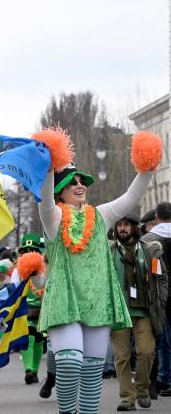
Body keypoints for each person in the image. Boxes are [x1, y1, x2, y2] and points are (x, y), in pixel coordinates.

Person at [38, 164, 152, 414]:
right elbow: (45, 201)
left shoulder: (100, 215)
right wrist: (47, 170)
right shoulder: (53, 217)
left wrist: (147, 168)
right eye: (72, 182)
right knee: (69, 362)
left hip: (97, 302)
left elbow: (131, 197)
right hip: (64, 301)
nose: (80, 185)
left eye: (82, 181)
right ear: (60, 191)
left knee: (91, 371)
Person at [110, 212, 168, 411]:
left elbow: (161, 278)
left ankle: (142, 388)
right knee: (122, 356)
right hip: (118, 312)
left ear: (134, 227)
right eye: (119, 225)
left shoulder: (149, 250)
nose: (122, 229)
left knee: (146, 351)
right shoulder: (109, 252)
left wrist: (160, 301)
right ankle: (127, 398)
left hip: (144, 312)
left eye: (126, 225)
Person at [141, 202, 171, 398]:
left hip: (160, 294)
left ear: (157, 218)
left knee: (162, 339)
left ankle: (162, 378)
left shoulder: (148, 239)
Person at [16, 233, 47, 385]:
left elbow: (44, 286)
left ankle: (35, 370)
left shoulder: (43, 270)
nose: (28, 253)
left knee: (39, 339)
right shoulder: (17, 270)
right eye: (25, 250)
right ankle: (28, 370)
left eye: (32, 250)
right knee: (29, 336)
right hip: (24, 308)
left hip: (40, 308)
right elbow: (13, 289)